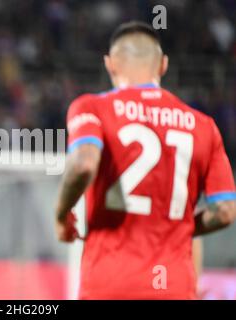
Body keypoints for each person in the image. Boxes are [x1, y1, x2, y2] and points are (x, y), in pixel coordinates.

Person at [55, 21, 236, 299]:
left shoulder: (92, 108)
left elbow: (83, 165)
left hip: (108, 284)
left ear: (110, 64)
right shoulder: (204, 125)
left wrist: (62, 214)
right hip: (172, 286)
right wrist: (181, 225)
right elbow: (225, 210)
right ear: (163, 65)